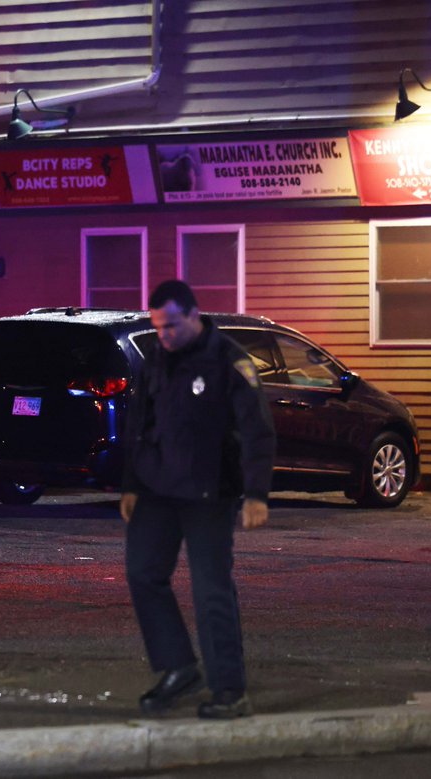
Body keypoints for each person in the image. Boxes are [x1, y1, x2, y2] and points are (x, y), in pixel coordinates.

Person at [120, 279, 276, 720]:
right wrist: (132, 484)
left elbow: (256, 429)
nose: (164, 335)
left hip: (209, 492)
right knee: (143, 574)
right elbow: (139, 424)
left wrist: (256, 493)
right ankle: (178, 667)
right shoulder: (156, 359)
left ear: (193, 315)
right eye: (157, 327)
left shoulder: (229, 360)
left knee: (211, 590)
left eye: (170, 326)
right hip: (156, 489)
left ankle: (229, 688)